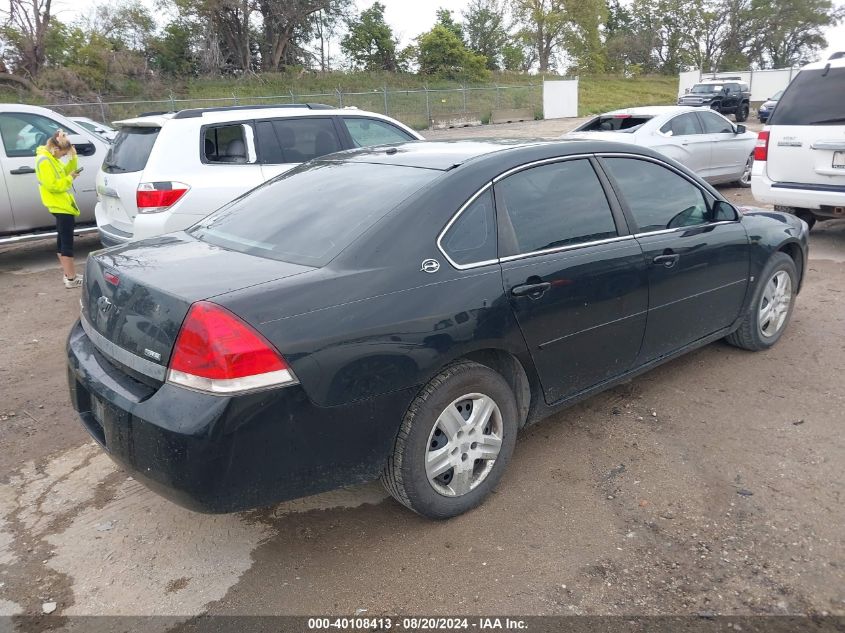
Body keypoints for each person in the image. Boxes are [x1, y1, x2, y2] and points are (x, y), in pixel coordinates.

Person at [36, 129, 84, 288]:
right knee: (66, 243)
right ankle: (71, 278)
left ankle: (68, 275)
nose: (63, 157)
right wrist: (70, 178)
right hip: (60, 205)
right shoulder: (44, 161)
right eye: (63, 155)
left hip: (61, 205)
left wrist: (73, 158)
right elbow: (53, 185)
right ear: (56, 149)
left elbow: (64, 172)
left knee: (61, 240)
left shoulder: (51, 158)